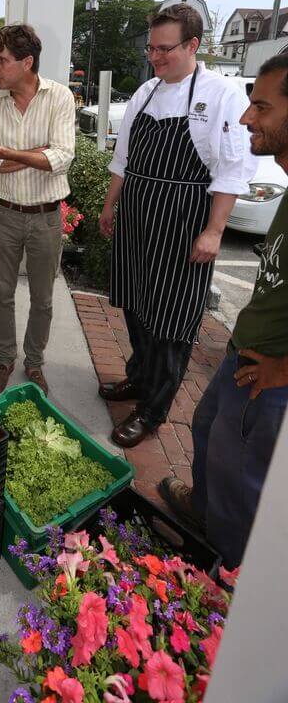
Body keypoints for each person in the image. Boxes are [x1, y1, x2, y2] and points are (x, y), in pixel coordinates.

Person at [98, 4, 256, 448]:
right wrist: (111, 205)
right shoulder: (146, 92)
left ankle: (153, 410)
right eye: (151, 47)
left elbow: (230, 169)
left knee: (171, 319)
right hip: (136, 219)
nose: (155, 56)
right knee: (135, 304)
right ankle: (139, 377)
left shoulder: (220, 94)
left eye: (164, 48)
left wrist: (215, 230)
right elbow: (123, 159)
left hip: (182, 223)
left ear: (193, 45)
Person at [159, 54, 288, 569]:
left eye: (261, 106)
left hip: (268, 375)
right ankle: (202, 509)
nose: (245, 118)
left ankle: (219, 577)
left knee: (241, 485)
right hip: (243, 354)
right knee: (206, 426)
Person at [0, 24, 76, 394]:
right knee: (2, 294)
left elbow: (62, 157)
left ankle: (35, 362)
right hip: (4, 213)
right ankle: (5, 359)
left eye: (1, 61)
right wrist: (36, 154)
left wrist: (10, 153)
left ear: (26, 62)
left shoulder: (59, 97)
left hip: (45, 216)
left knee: (43, 298)